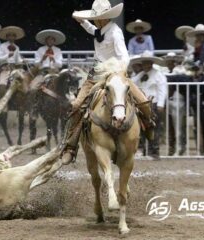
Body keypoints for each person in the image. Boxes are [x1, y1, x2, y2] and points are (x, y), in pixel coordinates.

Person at [60, 0, 154, 164]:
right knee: (77, 105)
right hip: (96, 74)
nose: (96, 20)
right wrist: (82, 21)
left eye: (98, 17)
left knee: (143, 101)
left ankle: (148, 125)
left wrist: (120, 72)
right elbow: (93, 31)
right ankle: (70, 147)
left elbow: (124, 55)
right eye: (95, 17)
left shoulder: (115, 32)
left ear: (105, 18)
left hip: (114, 73)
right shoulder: (101, 29)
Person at [132, 51, 167, 159]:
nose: (145, 65)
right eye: (144, 63)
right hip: (142, 105)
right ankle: (145, 151)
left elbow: (162, 90)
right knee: (143, 129)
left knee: (153, 128)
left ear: (151, 63)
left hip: (154, 104)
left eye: (147, 63)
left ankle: (154, 152)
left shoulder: (158, 74)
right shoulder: (140, 75)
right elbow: (132, 83)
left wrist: (161, 104)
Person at [163, 52, 188, 156]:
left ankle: (180, 147)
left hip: (179, 100)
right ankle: (172, 147)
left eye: (172, 60)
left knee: (179, 126)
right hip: (168, 101)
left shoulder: (181, 70)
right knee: (170, 127)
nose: (171, 62)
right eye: (169, 60)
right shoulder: (164, 71)